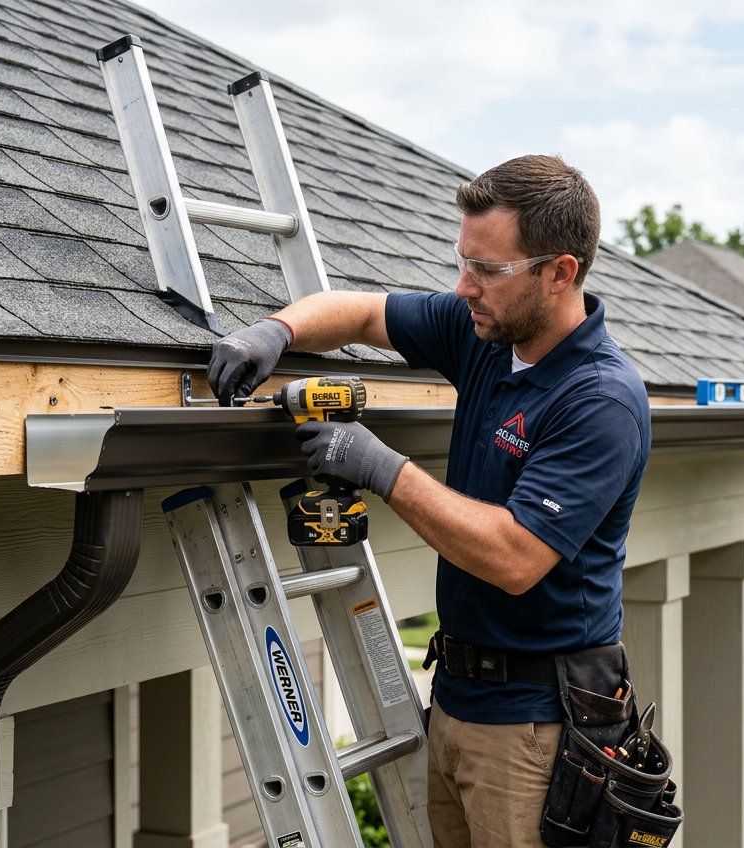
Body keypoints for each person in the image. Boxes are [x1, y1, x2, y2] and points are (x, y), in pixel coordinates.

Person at [207, 155, 652, 847]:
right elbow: (359, 312)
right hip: (457, 701)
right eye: (463, 261)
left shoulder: (599, 400)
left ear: (559, 273)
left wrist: (380, 467)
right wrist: (274, 331)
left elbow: (515, 556)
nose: (463, 286)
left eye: (488, 270)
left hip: (534, 729)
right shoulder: (487, 336)